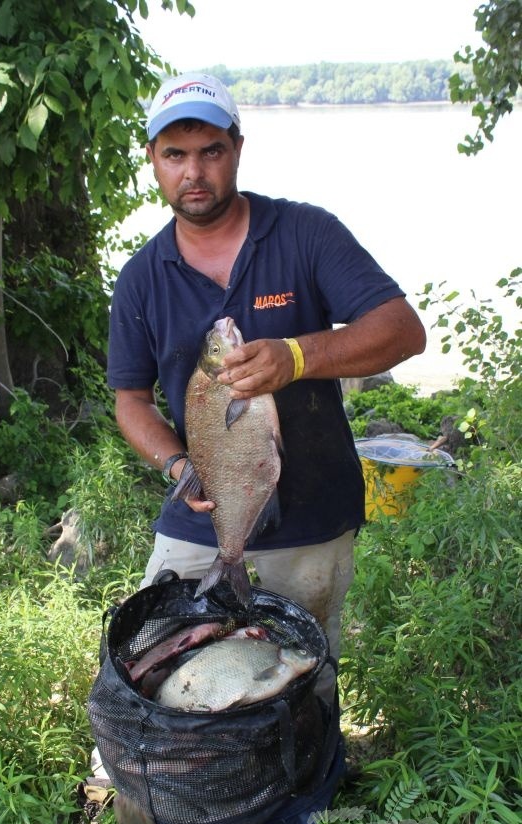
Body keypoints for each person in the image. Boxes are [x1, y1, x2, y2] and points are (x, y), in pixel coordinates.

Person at [107, 72, 426, 703]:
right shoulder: (141, 278)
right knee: (155, 658)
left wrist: (299, 355)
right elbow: (131, 401)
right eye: (175, 155)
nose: (193, 172)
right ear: (153, 161)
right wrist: (177, 465)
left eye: (210, 151)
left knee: (303, 669)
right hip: (203, 513)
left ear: (237, 150)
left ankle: (308, 784)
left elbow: (402, 331)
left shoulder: (305, 233)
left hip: (312, 510)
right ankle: (168, 776)